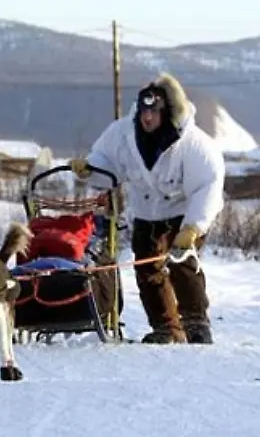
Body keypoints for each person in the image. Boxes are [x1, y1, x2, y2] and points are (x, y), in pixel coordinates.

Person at [69, 72, 225, 344]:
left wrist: (193, 227)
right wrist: (88, 170)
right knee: (148, 271)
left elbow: (208, 184)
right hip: (146, 213)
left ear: (167, 111)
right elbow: (106, 163)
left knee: (183, 265)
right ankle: (166, 328)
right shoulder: (122, 134)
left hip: (183, 212)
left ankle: (196, 322)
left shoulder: (194, 144)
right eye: (143, 111)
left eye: (154, 112)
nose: (147, 118)